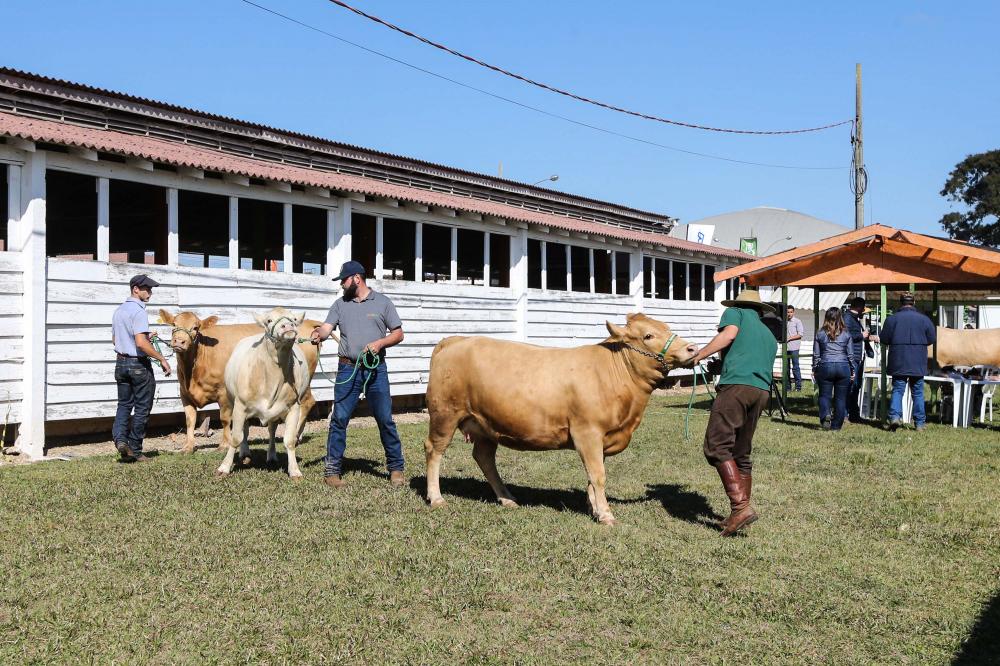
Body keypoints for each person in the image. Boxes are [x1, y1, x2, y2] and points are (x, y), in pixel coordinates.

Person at [311, 261, 406, 488]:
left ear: (356, 279)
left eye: (343, 280)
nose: (342, 285)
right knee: (339, 419)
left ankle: (396, 469)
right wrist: (319, 334)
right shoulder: (339, 305)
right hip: (348, 369)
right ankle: (332, 471)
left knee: (385, 419)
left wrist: (379, 343)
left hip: (376, 370)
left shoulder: (383, 303)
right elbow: (327, 328)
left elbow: (398, 334)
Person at [691, 289, 777, 537]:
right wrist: (722, 364)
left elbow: (729, 336)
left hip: (736, 387)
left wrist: (699, 355)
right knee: (741, 452)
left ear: (740, 305)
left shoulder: (735, 313)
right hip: (761, 391)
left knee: (717, 446)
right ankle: (738, 512)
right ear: (760, 310)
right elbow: (750, 357)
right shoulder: (767, 333)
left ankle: (740, 507)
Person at [111, 274, 171, 462]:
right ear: (135, 289)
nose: (150, 293)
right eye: (147, 289)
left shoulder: (119, 311)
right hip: (138, 365)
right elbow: (141, 343)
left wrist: (146, 336)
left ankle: (121, 440)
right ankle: (135, 449)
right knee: (142, 408)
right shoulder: (139, 312)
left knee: (124, 405)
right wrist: (162, 359)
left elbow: (116, 339)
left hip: (120, 363)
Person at [880, 292, 936, 431]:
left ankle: (894, 417)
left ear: (901, 302)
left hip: (898, 359)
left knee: (898, 389)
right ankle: (920, 424)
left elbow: (884, 339)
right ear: (914, 302)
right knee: (917, 392)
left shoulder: (892, 319)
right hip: (917, 360)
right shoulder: (924, 319)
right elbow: (932, 339)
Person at [812, 307, 856, 430]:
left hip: (825, 366)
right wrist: (853, 370)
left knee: (824, 395)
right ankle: (836, 426)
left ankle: (826, 414)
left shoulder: (820, 333)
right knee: (841, 398)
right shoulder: (846, 334)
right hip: (843, 366)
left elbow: (816, 354)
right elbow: (850, 355)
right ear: (840, 318)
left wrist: (814, 369)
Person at [843, 297, 877, 423]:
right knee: (849, 386)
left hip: (858, 356)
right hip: (852, 357)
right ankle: (845, 414)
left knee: (856, 386)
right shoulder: (847, 318)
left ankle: (853, 414)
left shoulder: (854, 319)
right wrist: (861, 335)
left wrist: (868, 337)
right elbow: (845, 336)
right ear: (859, 307)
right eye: (863, 308)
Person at [784, 305, 804, 392]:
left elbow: (800, 334)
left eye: (791, 312)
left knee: (795, 367)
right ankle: (788, 387)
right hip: (786, 348)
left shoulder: (797, 321)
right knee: (786, 368)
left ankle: (798, 387)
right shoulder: (784, 322)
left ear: (793, 312)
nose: (789, 314)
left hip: (794, 348)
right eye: (788, 312)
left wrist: (790, 338)